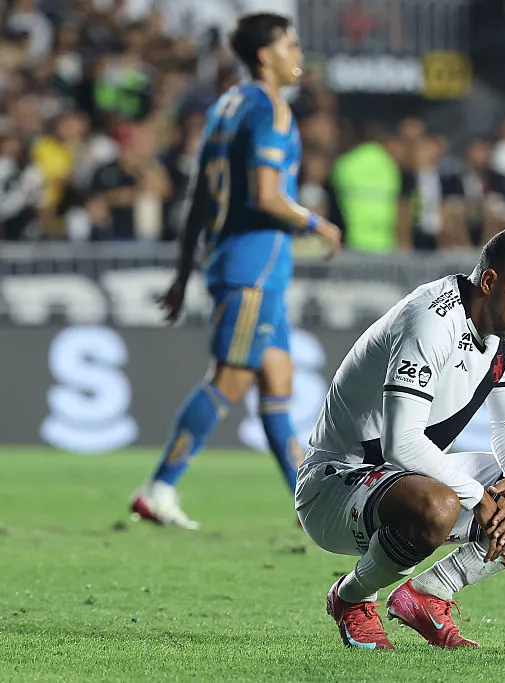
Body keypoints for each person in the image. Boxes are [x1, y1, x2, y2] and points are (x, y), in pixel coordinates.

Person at [296, 227, 505, 650]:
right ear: (489, 282)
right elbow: (401, 444)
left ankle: (428, 594)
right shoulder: (430, 319)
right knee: (438, 504)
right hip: (336, 485)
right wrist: (479, 498)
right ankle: (351, 598)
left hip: (407, 480)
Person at [129, 13, 342, 529]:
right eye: (290, 44)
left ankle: (305, 502)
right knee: (228, 380)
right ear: (265, 54)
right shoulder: (272, 110)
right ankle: (158, 488)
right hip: (254, 267)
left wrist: (183, 274)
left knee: (278, 382)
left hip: (237, 262)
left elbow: (199, 196)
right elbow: (267, 196)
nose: (298, 54)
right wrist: (318, 223)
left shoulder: (226, 105)